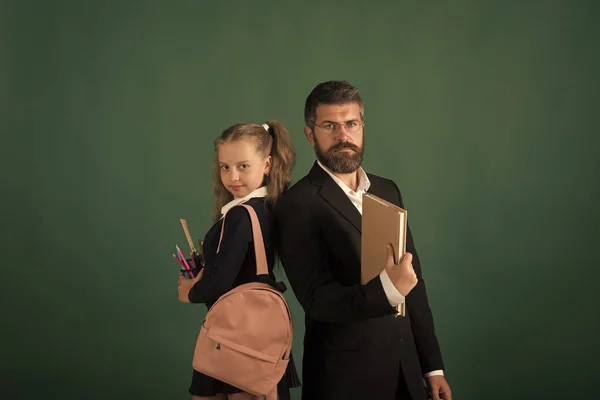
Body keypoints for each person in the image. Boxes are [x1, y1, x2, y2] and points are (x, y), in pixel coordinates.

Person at [274, 81, 452, 400]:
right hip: (344, 381)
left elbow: (415, 283)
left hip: (407, 373)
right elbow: (318, 300)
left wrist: (432, 368)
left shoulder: (387, 190)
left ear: (362, 126)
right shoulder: (296, 204)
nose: (343, 136)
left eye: (351, 124)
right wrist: (389, 288)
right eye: (330, 126)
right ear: (310, 133)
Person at [177, 121, 300, 400]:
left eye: (243, 166)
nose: (233, 176)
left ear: (267, 164)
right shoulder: (269, 207)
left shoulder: (240, 214)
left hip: (233, 339)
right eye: (225, 167)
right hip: (260, 336)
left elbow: (220, 281)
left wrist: (190, 291)